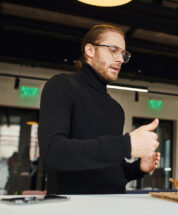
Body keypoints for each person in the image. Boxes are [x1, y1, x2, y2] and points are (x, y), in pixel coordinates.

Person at [38, 25, 160, 194]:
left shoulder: (116, 109)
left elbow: (113, 170)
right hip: (72, 208)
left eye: (123, 54)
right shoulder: (62, 86)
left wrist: (139, 168)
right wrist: (125, 144)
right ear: (90, 50)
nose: (120, 59)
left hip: (113, 206)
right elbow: (53, 153)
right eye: (113, 50)